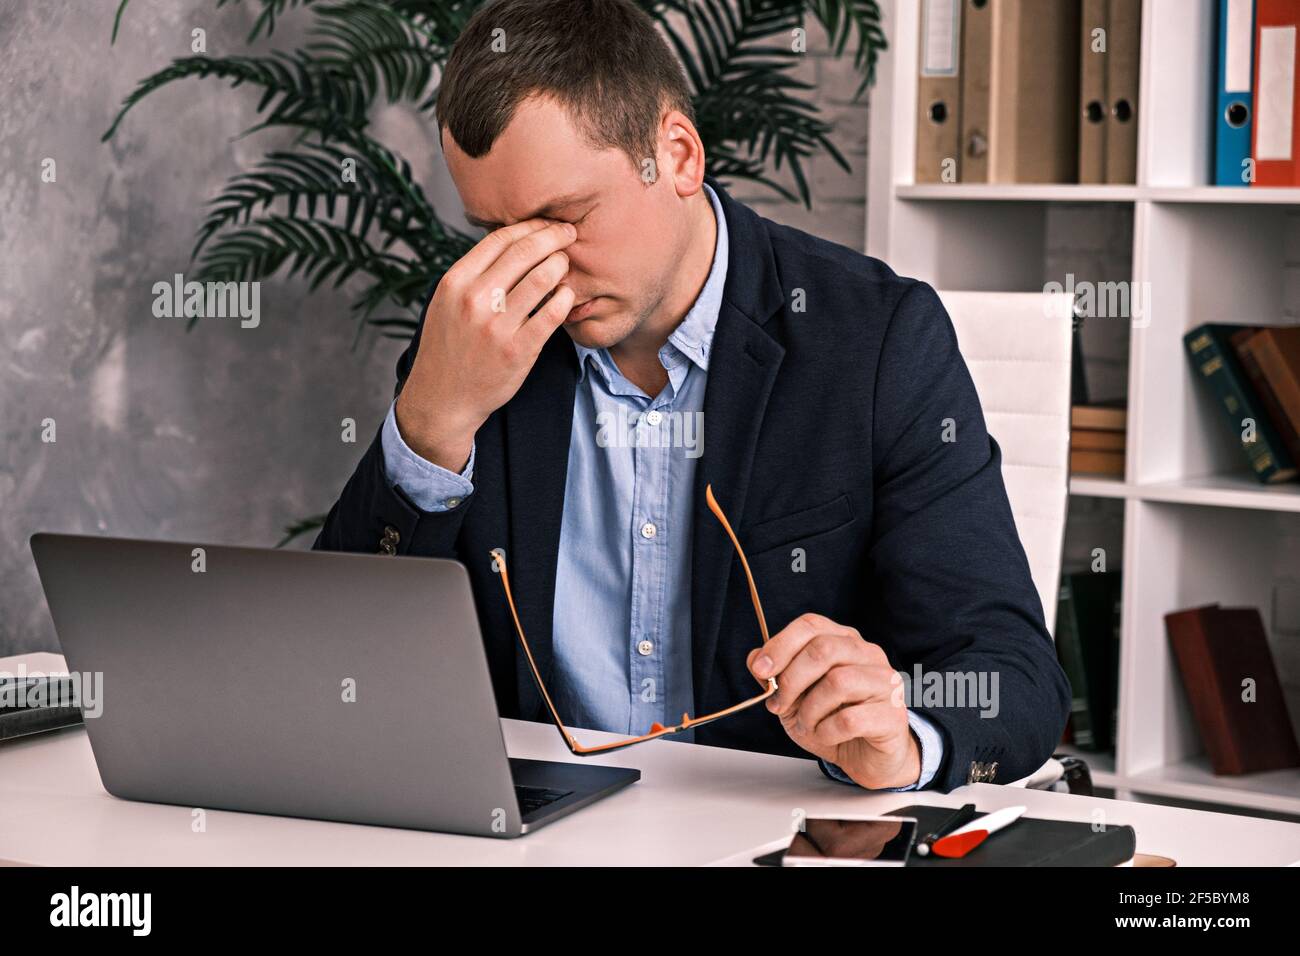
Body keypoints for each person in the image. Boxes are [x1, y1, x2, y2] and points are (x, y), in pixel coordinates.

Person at [315, 0, 1071, 792]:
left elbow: (1013, 673)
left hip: (775, 830)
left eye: (563, 219)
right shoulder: (476, 342)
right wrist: (432, 421)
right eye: (494, 232)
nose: (533, 271)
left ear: (676, 154)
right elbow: (332, 667)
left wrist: (905, 737)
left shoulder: (876, 342)